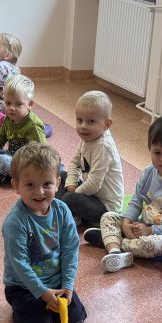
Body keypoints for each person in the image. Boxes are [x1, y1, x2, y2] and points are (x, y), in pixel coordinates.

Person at [85, 114, 162, 272]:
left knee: (150, 244)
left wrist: (150, 231)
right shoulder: (149, 172)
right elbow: (136, 200)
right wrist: (126, 222)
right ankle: (115, 251)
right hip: (143, 225)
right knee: (108, 216)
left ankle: (112, 241)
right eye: (157, 152)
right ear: (150, 149)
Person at [2, 143, 86, 323]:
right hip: (22, 287)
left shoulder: (62, 211)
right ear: (16, 186)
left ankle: (47, 307)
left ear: (57, 183)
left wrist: (68, 285)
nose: (39, 192)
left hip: (57, 282)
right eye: (30, 185)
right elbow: (20, 264)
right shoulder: (15, 222)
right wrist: (42, 292)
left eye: (47, 184)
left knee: (76, 320)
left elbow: (70, 250)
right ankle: (22, 311)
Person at [56, 91, 124, 229]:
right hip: (90, 195)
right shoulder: (88, 137)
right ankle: (67, 211)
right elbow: (75, 162)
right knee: (61, 176)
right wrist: (71, 183)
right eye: (79, 120)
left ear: (107, 124)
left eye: (91, 121)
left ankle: (65, 213)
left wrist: (74, 193)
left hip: (106, 208)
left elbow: (94, 184)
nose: (83, 126)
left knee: (70, 198)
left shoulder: (103, 146)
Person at [0, 75, 47, 189]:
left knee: (1, 161)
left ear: (30, 105)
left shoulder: (33, 125)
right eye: (8, 103)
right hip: (11, 156)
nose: (11, 108)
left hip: (27, 165)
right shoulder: (8, 119)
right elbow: (0, 137)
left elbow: (42, 153)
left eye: (18, 104)